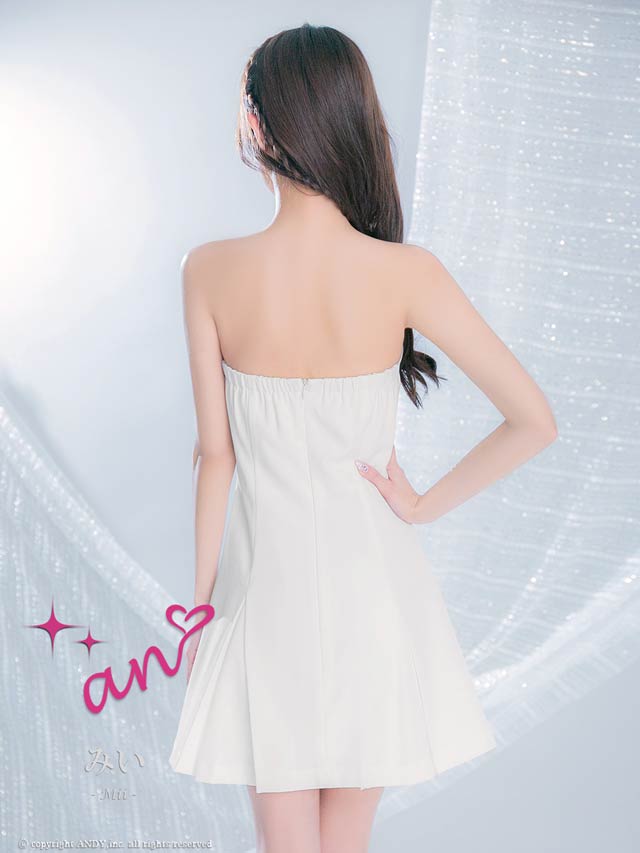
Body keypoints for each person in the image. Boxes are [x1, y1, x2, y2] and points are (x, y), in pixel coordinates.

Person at [169, 22, 558, 853]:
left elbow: (216, 458)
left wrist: (197, 611)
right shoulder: (405, 274)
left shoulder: (207, 271)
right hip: (376, 591)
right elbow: (534, 419)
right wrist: (419, 506)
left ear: (256, 121)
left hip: (262, 597)